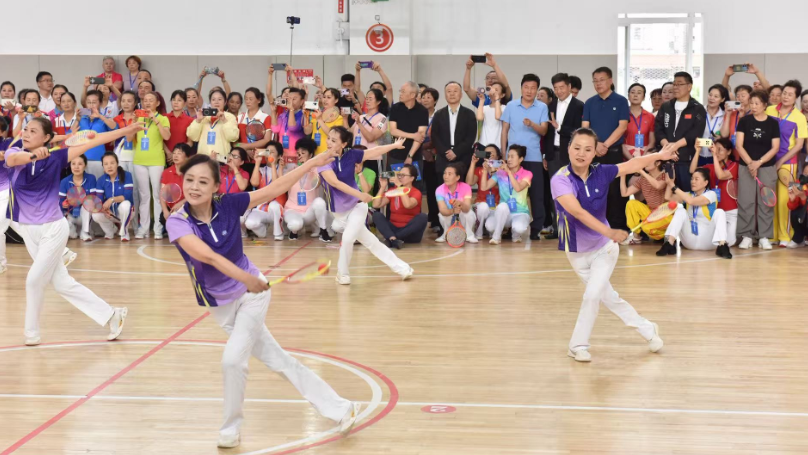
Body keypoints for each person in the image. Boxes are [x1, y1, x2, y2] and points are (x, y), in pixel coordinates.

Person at [165, 150, 361, 449]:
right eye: (189, 180)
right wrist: (244, 279)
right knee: (278, 360)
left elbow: (274, 188)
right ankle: (341, 407)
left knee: (233, 361)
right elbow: (205, 256)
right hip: (221, 304)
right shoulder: (178, 222)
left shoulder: (229, 204)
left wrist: (311, 163)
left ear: (216, 186)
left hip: (252, 297)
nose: (194, 187)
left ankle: (230, 429)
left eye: (203, 181)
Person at [4, 117, 139, 345]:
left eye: (33, 131)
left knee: (33, 280)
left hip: (53, 228)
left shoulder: (57, 158)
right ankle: (112, 315)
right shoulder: (14, 152)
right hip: (28, 230)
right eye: (25, 129)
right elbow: (15, 158)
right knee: (61, 283)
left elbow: (96, 140)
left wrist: (127, 129)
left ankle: (31, 334)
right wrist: (34, 155)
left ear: (46, 138)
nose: (26, 133)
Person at [551, 128, 674, 362]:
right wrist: (610, 231)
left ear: (595, 153)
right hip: (575, 251)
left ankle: (577, 345)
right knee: (609, 297)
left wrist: (660, 156)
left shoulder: (602, 172)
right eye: (577, 148)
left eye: (588, 149)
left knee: (592, 296)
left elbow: (632, 164)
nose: (581, 153)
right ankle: (648, 329)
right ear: (568, 149)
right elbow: (577, 211)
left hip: (604, 249)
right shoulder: (560, 180)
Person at [317, 127, 413, 285]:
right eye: (329, 138)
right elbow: (335, 183)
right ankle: (403, 268)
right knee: (372, 242)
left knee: (347, 239)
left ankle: (342, 274)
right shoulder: (322, 161)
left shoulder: (351, 155)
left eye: (334, 140)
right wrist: (360, 194)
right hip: (339, 213)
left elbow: (373, 151)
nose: (329, 142)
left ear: (344, 144)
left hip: (357, 207)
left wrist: (394, 146)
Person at [581, 67, 631, 233]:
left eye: (601, 80)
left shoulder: (621, 101)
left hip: (614, 153)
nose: (598, 84)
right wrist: (595, 145)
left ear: (610, 81)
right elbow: (585, 127)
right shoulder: (589, 102)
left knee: (615, 191)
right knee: (595, 190)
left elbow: (622, 126)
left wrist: (605, 145)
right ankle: (597, 226)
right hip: (593, 154)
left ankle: (617, 227)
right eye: (595, 81)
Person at [501, 73, 549, 240]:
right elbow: (504, 131)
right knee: (510, 193)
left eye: (533, 88)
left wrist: (532, 124)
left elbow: (544, 130)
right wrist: (504, 154)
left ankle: (536, 229)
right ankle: (509, 227)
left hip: (534, 157)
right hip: (513, 159)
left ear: (537, 90)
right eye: (526, 87)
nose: (529, 91)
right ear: (521, 88)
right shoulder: (511, 106)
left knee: (537, 195)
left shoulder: (542, 107)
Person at [735, 90, 780, 250]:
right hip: (746, 166)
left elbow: (775, 148)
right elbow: (739, 145)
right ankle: (746, 235)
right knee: (746, 201)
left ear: (765, 105)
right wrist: (750, 164)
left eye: (757, 103)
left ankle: (764, 236)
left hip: (766, 167)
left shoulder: (773, 123)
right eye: (751, 103)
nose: (753, 106)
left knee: (765, 202)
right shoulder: (744, 121)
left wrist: (758, 163)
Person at [766, 80, 807, 247]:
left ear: (796, 98)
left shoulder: (799, 117)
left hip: (788, 163)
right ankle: (772, 235)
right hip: (768, 161)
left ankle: (785, 235)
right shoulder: (769, 110)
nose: (785, 97)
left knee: (785, 200)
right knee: (770, 199)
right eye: (784, 93)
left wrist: (781, 161)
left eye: (790, 94)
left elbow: (799, 145)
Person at [656, 168, 732, 259]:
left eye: (696, 179)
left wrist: (673, 186)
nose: (693, 181)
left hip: (708, 240)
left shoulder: (711, 194)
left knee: (719, 212)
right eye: (692, 179)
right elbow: (668, 197)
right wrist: (670, 183)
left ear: (705, 183)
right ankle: (669, 243)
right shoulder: (688, 195)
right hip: (690, 240)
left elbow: (691, 201)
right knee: (680, 211)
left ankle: (722, 245)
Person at [545, 73, 585, 239]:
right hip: (552, 154)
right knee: (555, 192)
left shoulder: (579, 105)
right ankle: (559, 229)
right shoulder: (551, 105)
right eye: (556, 88)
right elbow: (547, 133)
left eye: (562, 87)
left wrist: (559, 127)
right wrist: (546, 155)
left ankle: (575, 228)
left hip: (570, 155)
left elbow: (579, 131)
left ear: (569, 87)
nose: (559, 91)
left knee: (573, 192)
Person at [654, 71, 707, 192]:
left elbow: (695, 133)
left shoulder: (697, 108)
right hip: (665, 158)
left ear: (689, 87)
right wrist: (667, 147)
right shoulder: (666, 106)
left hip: (685, 159)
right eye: (674, 84)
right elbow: (658, 128)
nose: (675, 87)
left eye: (679, 84)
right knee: (664, 196)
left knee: (685, 194)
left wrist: (675, 146)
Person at [129, 92, 170, 239]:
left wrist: (155, 119)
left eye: (150, 100)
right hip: (139, 161)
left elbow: (167, 136)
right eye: (145, 100)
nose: (147, 103)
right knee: (144, 196)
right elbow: (129, 138)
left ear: (157, 103)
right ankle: (144, 228)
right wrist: (133, 123)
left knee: (157, 195)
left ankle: (158, 228)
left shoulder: (163, 118)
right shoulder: (139, 118)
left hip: (156, 161)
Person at [479, 144, 533, 244]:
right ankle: (497, 237)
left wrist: (508, 172)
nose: (509, 159)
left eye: (512, 157)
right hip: (503, 212)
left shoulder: (527, 174)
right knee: (490, 225)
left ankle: (515, 235)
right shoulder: (500, 173)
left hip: (520, 212)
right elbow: (484, 187)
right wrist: (485, 171)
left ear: (520, 159)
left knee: (519, 228)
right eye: (508, 156)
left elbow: (518, 188)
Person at [692, 137, 739, 247]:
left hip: (731, 211)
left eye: (720, 149)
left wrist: (714, 156)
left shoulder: (734, 165)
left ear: (729, 152)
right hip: (715, 212)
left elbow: (721, 175)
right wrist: (697, 151)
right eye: (714, 149)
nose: (716, 152)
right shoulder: (710, 166)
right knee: (715, 242)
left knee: (730, 242)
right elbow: (693, 171)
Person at [284, 138, 330, 241]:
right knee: (295, 224)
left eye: (303, 153)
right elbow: (282, 184)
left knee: (320, 202)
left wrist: (309, 166)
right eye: (298, 153)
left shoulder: (316, 169)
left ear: (311, 155)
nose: (300, 155)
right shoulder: (291, 168)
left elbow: (316, 184)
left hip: (309, 212)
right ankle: (294, 231)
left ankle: (323, 231)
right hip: (292, 209)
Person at [371, 164, 427, 248]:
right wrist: (382, 187)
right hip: (394, 228)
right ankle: (393, 239)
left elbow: (408, 205)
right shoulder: (392, 190)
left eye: (403, 175)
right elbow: (376, 205)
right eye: (399, 175)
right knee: (376, 215)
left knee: (423, 217)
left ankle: (392, 239)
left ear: (412, 178)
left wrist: (400, 186)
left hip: (410, 233)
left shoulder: (416, 192)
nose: (400, 177)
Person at [432, 82, 477, 180]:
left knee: (462, 187)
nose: (452, 94)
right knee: (443, 186)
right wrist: (446, 152)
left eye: (455, 91)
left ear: (461, 95)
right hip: (443, 158)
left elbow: (470, 137)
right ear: (445, 95)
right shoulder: (438, 114)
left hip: (462, 158)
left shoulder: (469, 114)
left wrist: (456, 152)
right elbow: (434, 136)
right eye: (449, 91)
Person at [621, 160, 670, 243]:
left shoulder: (665, 175)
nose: (645, 162)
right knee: (631, 203)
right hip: (651, 213)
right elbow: (624, 193)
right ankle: (636, 236)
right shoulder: (643, 179)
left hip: (665, 214)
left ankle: (668, 235)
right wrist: (623, 174)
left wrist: (641, 171)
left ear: (658, 163)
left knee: (646, 228)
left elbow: (658, 186)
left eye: (649, 159)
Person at [244, 144, 284, 240]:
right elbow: (254, 183)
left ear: (279, 156)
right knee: (249, 223)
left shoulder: (282, 169)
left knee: (274, 206)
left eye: (272, 152)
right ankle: (263, 232)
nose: (268, 154)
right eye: (267, 152)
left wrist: (273, 165)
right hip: (261, 206)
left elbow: (276, 186)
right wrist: (257, 162)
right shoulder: (261, 170)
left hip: (276, 207)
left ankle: (278, 233)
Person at [93, 152, 134, 242]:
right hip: (110, 213)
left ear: (117, 163)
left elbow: (127, 196)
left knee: (126, 204)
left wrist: (111, 200)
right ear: (103, 166)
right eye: (106, 164)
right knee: (95, 214)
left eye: (112, 163)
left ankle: (124, 232)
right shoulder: (101, 180)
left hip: (126, 212)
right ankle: (110, 231)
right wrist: (104, 209)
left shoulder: (127, 175)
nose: (109, 166)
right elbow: (98, 200)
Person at [187, 88, 239, 158]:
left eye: (219, 99)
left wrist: (224, 121)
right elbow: (193, 136)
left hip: (221, 159)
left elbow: (233, 137)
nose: (216, 102)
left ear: (225, 102)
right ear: (210, 102)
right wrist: (198, 120)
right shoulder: (203, 116)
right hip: (203, 159)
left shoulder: (229, 117)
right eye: (213, 99)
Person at [389, 81, 429, 172]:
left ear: (412, 95)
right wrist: (413, 135)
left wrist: (410, 156)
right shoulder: (395, 108)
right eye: (400, 91)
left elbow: (420, 136)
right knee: (394, 180)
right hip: (396, 154)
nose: (400, 94)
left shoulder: (422, 111)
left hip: (415, 156)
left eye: (403, 91)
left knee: (414, 180)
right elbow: (393, 131)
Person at [79, 90, 118, 177]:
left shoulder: (104, 119)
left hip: (98, 158)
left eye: (94, 102)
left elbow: (114, 128)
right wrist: (77, 119)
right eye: (88, 102)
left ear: (100, 103)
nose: (91, 105)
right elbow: (71, 133)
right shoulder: (81, 118)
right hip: (82, 158)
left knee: (98, 183)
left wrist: (100, 116)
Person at [435, 163, 477, 243]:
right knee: (441, 215)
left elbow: (467, 208)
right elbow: (442, 210)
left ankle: (469, 235)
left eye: (449, 174)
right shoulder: (439, 189)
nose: (446, 176)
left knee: (469, 214)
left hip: (462, 213)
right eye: (445, 173)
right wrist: (453, 211)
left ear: (457, 177)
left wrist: (460, 203)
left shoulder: (466, 187)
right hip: (450, 213)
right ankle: (446, 235)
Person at [466, 145, 501, 238]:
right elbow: (469, 182)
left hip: (496, 205)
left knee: (491, 228)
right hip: (481, 203)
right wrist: (473, 163)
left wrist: (493, 167)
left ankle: (488, 228)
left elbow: (497, 185)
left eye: (492, 153)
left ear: (498, 156)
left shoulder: (501, 169)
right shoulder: (479, 170)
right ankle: (479, 231)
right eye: (487, 153)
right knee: (483, 207)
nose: (489, 155)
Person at [59, 155, 96, 241]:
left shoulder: (91, 178)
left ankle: (84, 232)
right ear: (70, 165)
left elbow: (93, 199)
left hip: (85, 215)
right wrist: (63, 204)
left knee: (88, 203)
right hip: (70, 215)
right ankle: (73, 229)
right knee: (71, 235)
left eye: (80, 164)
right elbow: (60, 203)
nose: (76, 167)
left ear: (85, 165)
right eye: (73, 164)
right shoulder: (64, 181)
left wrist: (80, 200)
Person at [271, 87, 310, 168]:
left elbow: (292, 127)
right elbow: (275, 129)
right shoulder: (283, 115)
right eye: (289, 98)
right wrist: (273, 112)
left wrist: (291, 110)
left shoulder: (303, 115)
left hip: (297, 156)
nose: (291, 101)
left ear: (302, 101)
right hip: (282, 155)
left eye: (294, 99)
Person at [420, 88, 441, 231]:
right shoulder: (416, 115)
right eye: (423, 97)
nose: (425, 100)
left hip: (433, 157)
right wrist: (422, 149)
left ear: (435, 100)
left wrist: (430, 149)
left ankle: (435, 219)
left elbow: (440, 136)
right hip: (418, 155)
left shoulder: (439, 116)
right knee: (419, 188)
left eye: (429, 97)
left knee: (433, 188)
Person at [234, 87, 272, 158]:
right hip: (242, 158)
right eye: (246, 99)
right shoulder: (239, 118)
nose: (247, 101)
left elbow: (267, 140)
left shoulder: (265, 117)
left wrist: (246, 146)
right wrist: (244, 149)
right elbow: (235, 143)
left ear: (259, 100)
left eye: (251, 99)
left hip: (260, 157)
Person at [159, 143, 191, 228]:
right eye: (174, 153)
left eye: (179, 153)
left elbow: (194, 194)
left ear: (187, 157)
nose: (175, 156)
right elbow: (162, 194)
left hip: (188, 206)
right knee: (163, 218)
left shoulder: (191, 173)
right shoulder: (167, 172)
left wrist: (181, 203)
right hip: (172, 208)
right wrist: (165, 211)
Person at [698, 84, 730, 166]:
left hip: (715, 156)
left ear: (722, 99)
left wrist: (719, 137)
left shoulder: (723, 115)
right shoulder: (699, 112)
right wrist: (708, 142)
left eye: (716, 96)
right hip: (698, 154)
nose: (711, 98)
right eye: (710, 95)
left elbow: (724, 135)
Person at [311, 86, 347, 156]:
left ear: (336, 100)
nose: (325, 100)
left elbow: (333, 134)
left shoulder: (339, 118)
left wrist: (319, 120)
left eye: (329, 97)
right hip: (315, 153)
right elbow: (307, 131)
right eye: (324, 97)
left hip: (329, 154)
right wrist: (305, 116)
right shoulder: (318, 114)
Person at [720, 85, 753, 161]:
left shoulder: (753, 114)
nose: (740, 98)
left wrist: (742, 117)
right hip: (731, 154)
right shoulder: (732, 113)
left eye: (743, 96)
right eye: (737, 96)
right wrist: (728, 115)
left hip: (747, 154)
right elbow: (724, 135)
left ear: (751, 97)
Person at [623, 83, 656, 160]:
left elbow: (652, 142)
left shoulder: (650, 116)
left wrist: (642, 159)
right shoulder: (622, 115)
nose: (635, 95)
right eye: (632, 92)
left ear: (643, 97)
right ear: (628, 96)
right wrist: (631, 159)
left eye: (639, 93)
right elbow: (620, 142)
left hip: (645, 156)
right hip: (626, 157)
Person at [476, 82, 507, 148]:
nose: (493, 91)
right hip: (483, 144)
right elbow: (479, 118)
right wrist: (481, 100)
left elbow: (498, 116)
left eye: (496, 90)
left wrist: (497, 99)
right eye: (492, 89)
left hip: (498, 145)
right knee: (480, 155)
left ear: (502, 95)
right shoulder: (485, 108)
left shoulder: (505, 108)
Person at [787, 182, 807, 247]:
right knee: (795, 212)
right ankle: (799, 239)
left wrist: (803, 197)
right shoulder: (801, 183)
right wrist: (792, 199)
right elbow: (791, 207)